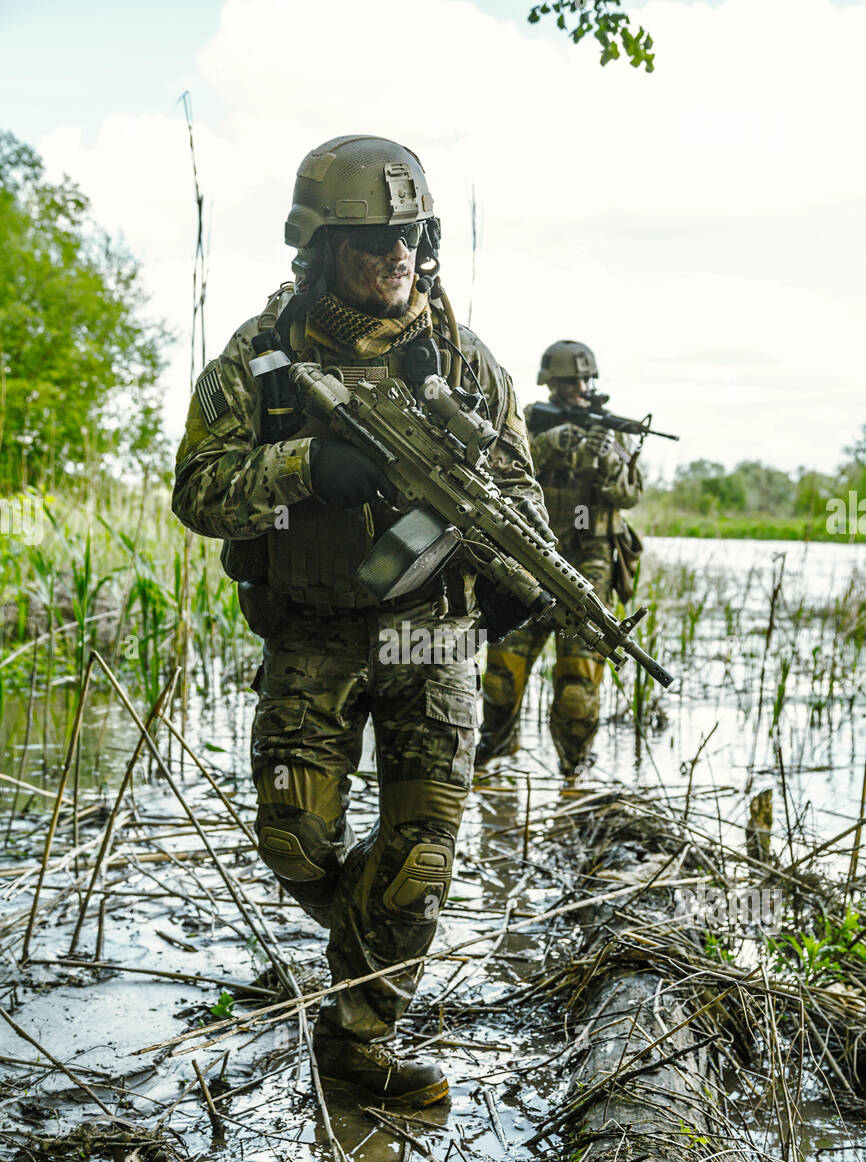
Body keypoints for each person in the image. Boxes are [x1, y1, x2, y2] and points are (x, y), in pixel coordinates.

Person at [172, 135, 546, 1106]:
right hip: (313, 630)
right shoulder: (260, 363)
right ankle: (372, 939)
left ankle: (356, 1043)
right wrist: (303, 470)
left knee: (419, 853)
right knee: (293, 838)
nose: (397, 259)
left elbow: (520, 499)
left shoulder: (465, 366)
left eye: (411, 239)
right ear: (320, 247)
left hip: (429, 633)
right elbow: (197, 490)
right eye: (371, 242)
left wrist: (513, 592)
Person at [477, 339, 643, 775]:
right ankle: (494, 758)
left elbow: (628, 496)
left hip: (590, 562)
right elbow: (495, 473)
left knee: (578, 684)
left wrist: (605, 458)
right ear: (550, 383)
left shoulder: (612, 429)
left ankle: (574, 774)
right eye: (571, 381)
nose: (581, 387)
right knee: (501, 676)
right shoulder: (526, 422)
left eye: (586, 379)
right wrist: (547, 446)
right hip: (530, 557)